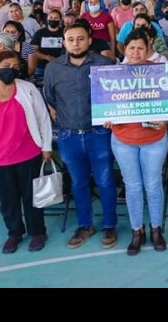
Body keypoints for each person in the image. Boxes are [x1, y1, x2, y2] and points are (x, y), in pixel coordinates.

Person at [43, 22, 118, 249]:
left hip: (99, 134)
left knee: (105, 180)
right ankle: (85, 225)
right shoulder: (53, 68)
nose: (75, 44)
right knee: (78, 183)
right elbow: (51, 98)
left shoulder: (105, 64)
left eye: (80, 38)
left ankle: (109, 225)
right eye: (71, 39)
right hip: (69, 136)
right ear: (64, 42)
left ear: (89, 40)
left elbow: (115, 96)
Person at [0, 51, 52, 253]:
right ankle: (14, 233)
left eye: (15, 66)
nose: (10, 70)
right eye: (5, 66)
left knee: (32, 197)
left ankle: (37, 232)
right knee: (8, 200)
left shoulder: (28, 89)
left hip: (29, 153)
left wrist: (46, 146)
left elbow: (43, 118)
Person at [108, 30, 168, 256]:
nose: (135, 52)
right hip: (123, 140)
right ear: (125, 49)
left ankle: (156, 229)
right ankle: (137, 230)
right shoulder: (112, 75)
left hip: (154, 140)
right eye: (131, 47)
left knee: (153, 185)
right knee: (132, 186)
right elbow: (105, 103)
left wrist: (165, 118)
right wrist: (106, 116)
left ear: (148, 49)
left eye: (140, 48)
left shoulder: (160, 72)